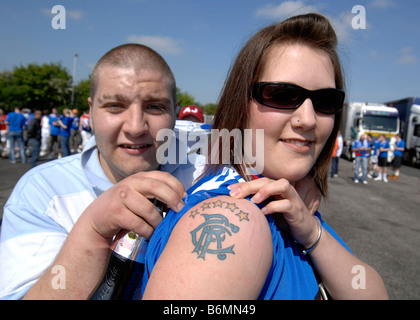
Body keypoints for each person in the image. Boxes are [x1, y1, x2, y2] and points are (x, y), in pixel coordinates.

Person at [141, 13, 388, 300]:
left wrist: (312, 233)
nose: (307, 120)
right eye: (282, 95)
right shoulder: (234, 220)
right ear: (240, 103)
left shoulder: (296, 211)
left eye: (325, 101)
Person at [0, 43, 203, 300]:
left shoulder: (206, 172)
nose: (135, 127)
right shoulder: (43, 190)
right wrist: (92, 231)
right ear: (91, 112)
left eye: (154, 107)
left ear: (175, 114)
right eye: (115, 106)